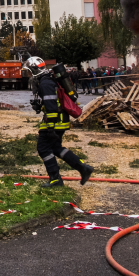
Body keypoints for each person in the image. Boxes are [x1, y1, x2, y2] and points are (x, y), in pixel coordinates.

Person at [27, 56, 93, 188]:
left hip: (54, 122)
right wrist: (40, 106)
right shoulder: (48, 80)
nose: (28, 74)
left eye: (29, 71)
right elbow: (53, 102)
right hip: (60, 121)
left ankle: (56, 179)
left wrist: (51, 128)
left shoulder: (45, 84)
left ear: (34, 70)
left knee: (43, 148)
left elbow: (52, 107)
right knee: (56, 148)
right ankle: (83, 168)